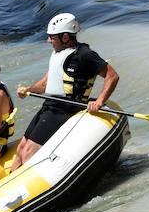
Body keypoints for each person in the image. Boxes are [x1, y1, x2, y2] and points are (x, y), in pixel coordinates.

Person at [12, 13, 120, 169]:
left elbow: (112, 76)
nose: (48, 41)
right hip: (49, 106)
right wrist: (28, 89)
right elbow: (44, 84)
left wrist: (99, 101)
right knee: (21, 150)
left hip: (65, 109)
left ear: (65, 37)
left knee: (29, 153)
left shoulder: (85, 55)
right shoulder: (58, 54)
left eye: (52, 37)